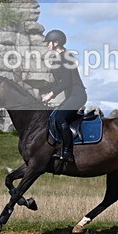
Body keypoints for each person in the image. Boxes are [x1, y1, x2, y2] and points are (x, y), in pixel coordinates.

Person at [41, 29, 87, 163]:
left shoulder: (65, 57)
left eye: (48, 43)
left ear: (56, 43)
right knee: (54, 116)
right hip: (71, 96)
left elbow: (66, 82)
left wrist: (51, 94)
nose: (46, 45)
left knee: (60, 118)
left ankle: (68, 152)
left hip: (77, 95)